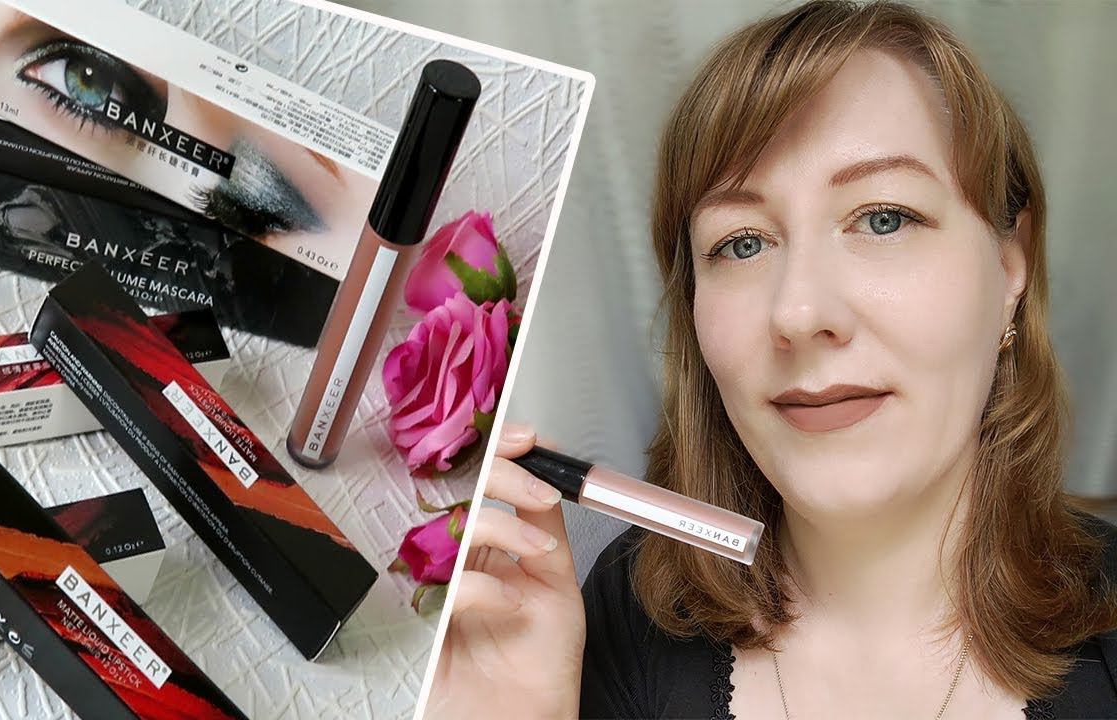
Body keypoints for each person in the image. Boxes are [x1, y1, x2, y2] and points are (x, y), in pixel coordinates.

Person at [425, 1, 1117, 718]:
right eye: (743, 242)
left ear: (1010, 264)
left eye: (884, 218)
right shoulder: (622, 622)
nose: (799, 313)